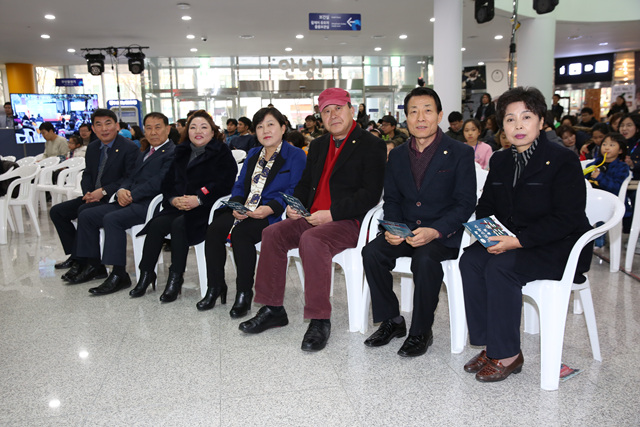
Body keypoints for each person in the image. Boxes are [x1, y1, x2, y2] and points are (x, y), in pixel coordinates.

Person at [459, 86, 592, 383]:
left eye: (526, 117)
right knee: (470, 261)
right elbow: (486, 206)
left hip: (559, 245)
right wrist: (491, 236)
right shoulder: (502, 160)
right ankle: (491, 344)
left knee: (501, 267)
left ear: (541, 121)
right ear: (501, 126)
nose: (518, 125)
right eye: (510, 119)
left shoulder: (562, 159)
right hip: (513, 239)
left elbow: (567, 218)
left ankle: (507, 353)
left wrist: (515, 242)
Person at [238, 87, 386, 352]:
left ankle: (319, 319)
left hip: (348, 221)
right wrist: (296, 207)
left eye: (338, 108)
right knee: (272, 234)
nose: (333, 115)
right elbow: (305, 185)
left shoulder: (371, 145)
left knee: (312, 239)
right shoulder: (317, 145)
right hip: (311, 216)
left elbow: (370, 194)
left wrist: (332, 214)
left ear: (351, 110)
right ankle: (273, 308)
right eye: (326, 111)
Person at [361, 87, 476, 357]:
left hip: (442, 234)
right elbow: (392, 199)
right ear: (406, 117)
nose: (420, 117)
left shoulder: (459, 152)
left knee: (425, 260)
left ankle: (421, 330)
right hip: (407, 229)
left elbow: (465, 203)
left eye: (427, 110)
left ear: (439, 115)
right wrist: (392, 227)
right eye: (413, 111)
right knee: (372, 253)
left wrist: (436, 230)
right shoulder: (398, 155)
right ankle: (392, 320)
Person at [201, 107, 306, 316]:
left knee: (242, 235)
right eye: (259, 126)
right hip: (245, 208)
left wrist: (271, 208)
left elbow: (295, 189)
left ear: (283, 128)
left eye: (270, 125)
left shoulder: (295, 155)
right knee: (213, 230)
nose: (265, 130)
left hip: (273, 213)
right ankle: (215, 287)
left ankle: (243, 293)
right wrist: (237, 204)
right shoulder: (252, 154)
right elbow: (239, 184)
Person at [133, 110, 237, 302]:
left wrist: (198, 198)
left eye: (204, 127)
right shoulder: (181, 151)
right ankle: (147, 274)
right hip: (179, 205)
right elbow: (167, 183)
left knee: (180, 225)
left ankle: (175, 278)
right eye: (193, 127)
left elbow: (225, 183)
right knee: (156, 224)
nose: (198, 131)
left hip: (206, 208)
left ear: (213, 132)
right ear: (187, 131)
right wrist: (173, 199)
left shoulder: (222, 152)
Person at [70, 112, 175, 296]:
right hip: (130, 200)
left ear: (167, 129)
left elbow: (159, 182)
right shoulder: (145, 152)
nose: (153, 132)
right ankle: (92, 265)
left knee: (112, 219)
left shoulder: (173, 153)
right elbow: (129, 177)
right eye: (148, 128)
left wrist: (132, 195)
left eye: (158, 127)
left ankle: (119, 274)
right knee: (86, 214)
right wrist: (121, 190)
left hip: (151, 206)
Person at [51, 109, 140, 282]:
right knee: (57, 211)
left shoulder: (128, 148)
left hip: (114, 198)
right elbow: (88, 174)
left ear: (116, 125)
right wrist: (88, 193)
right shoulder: (92, 147)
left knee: (85, 211)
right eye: (98, 125)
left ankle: (90, 264)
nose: (104, 129)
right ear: (93, 128)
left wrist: (104, 191)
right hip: (94, 196)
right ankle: (77, 256)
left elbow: (129, 178)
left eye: (108, 123)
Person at [620, 114, 640, 178]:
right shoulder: (617, 143)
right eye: (622, 125)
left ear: (637, 128)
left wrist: (633, 164)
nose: (624, 129)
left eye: (629, 125)